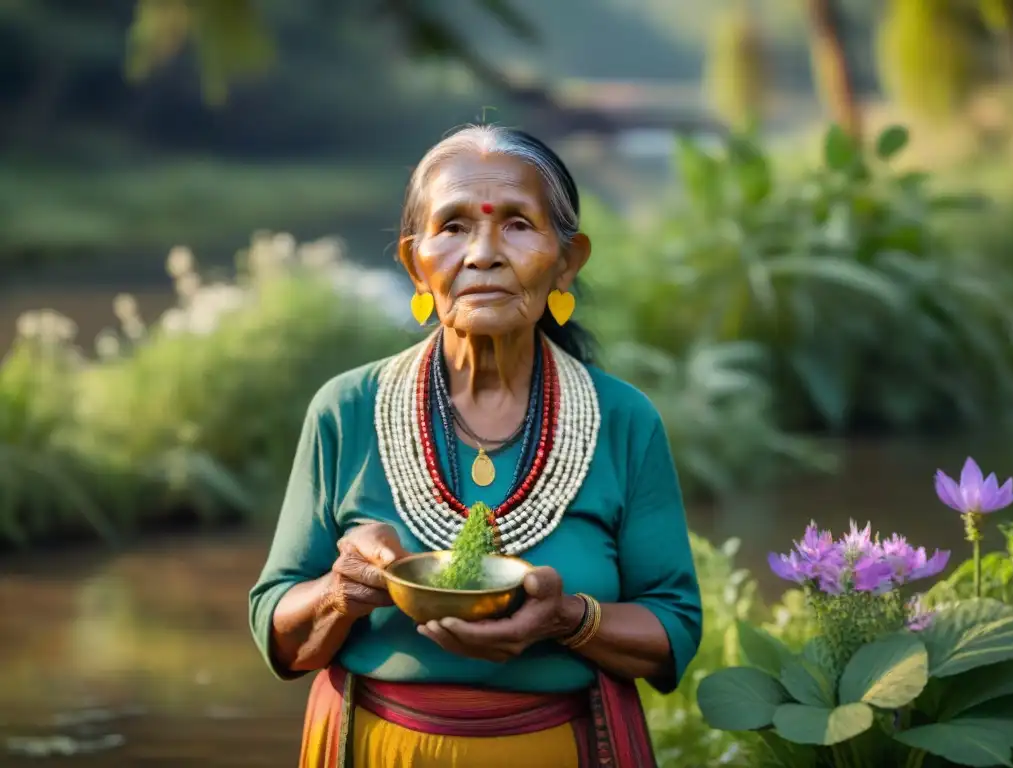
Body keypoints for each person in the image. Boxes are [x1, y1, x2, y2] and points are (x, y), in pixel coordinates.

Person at [248, 125, 703, 768]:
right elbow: (279, 634)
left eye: (517, 224)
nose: (483, 253)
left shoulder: (623, 420)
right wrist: (339, 592)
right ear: (415, 263)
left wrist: (566, 618)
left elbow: (675, 627)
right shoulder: (345, 412)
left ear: (567, 261)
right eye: (454, 227)